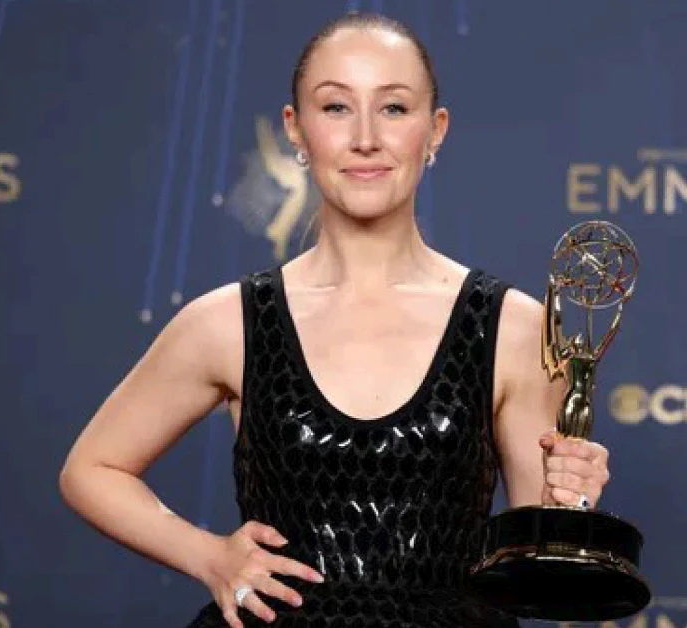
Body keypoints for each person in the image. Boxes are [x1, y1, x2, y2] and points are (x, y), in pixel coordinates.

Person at [58, 12, 613, 628]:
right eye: (336, 108)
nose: (366, 138)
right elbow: (92, 470)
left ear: (435, 130)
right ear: (295, 130)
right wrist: (209, 556)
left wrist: (569, 501)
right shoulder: (228, 323)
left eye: (394, 108)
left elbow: (534, 553)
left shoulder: (513, 328)